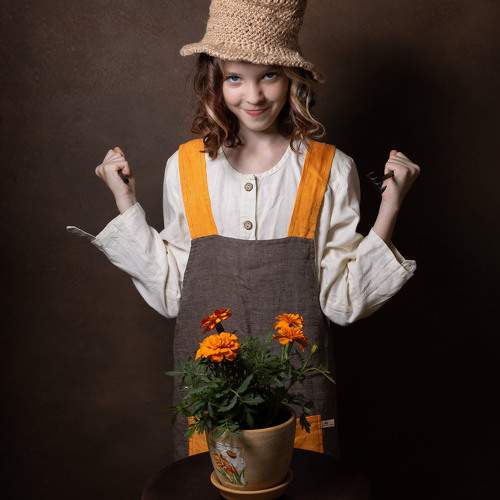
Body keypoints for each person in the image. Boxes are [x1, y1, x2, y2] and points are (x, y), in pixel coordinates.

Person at [67, 0, 420, 462]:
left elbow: (342, 302)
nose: (253, 96)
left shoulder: (330, 169)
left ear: (293, 79)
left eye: (269, 75)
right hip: (213, 402)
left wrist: (389, 207)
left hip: (298, 404)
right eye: (235, 77)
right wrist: (125, 201)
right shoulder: (186, 166)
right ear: (215, 80)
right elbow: (174, 294)